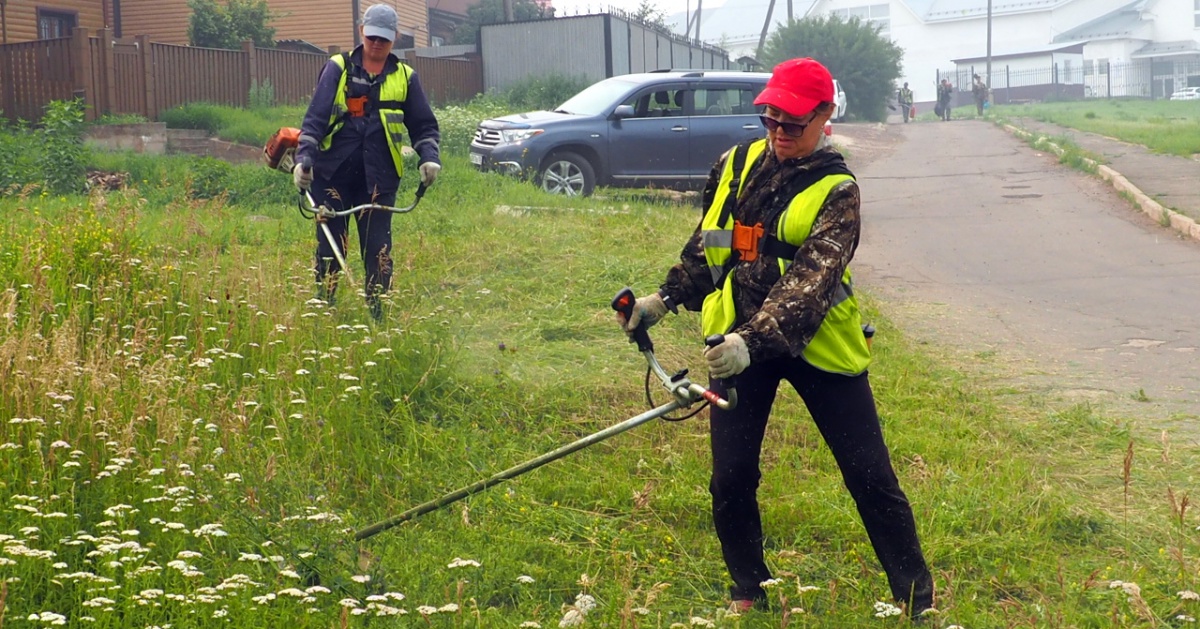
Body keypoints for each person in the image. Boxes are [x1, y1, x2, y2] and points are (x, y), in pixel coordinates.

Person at [617, 58, 934, 619]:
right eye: (771, 120)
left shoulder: (839, 190)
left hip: (818, 347)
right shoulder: (734, 165)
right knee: (731, 475)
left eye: (793, 124)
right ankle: (749, 587)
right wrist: (661, 301)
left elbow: (808, 289)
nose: (780, 134)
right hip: (737, 346)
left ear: (824, 116)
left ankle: (916, 599)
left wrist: (750, 341)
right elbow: (708, 246)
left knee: (868, 474)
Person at [292, 4, 441, 321]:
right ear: (362, 32)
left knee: (378, 252)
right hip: (332, 175)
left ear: (395, 38)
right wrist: (303, 159)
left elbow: (425, 126)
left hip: (380, 179)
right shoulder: (338, 68)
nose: (377, 44)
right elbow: (315, 120)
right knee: (331, 249)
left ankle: (378, 316)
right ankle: (325, 313)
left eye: (384, 39)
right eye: (372, 36)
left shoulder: (406, 77)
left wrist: (429, 158)